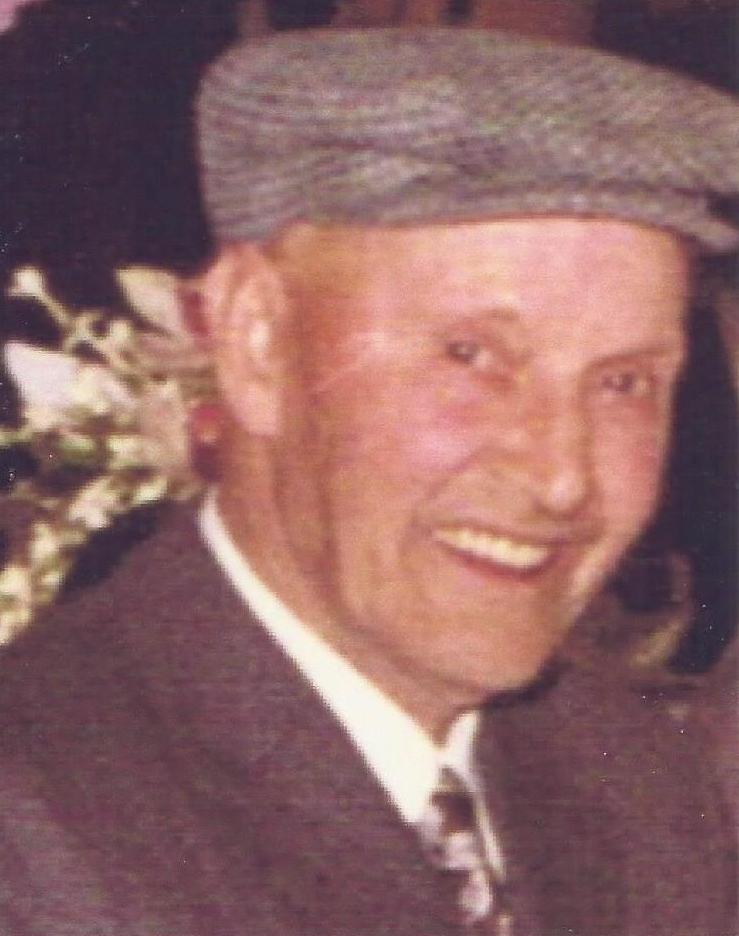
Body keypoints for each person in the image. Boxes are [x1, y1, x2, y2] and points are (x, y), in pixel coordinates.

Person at [0, 27, 737, 936]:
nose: (559, 477)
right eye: (471, 356)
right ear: (256, 341)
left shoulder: (635, 785)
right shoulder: (40, 819)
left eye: (623, 383)